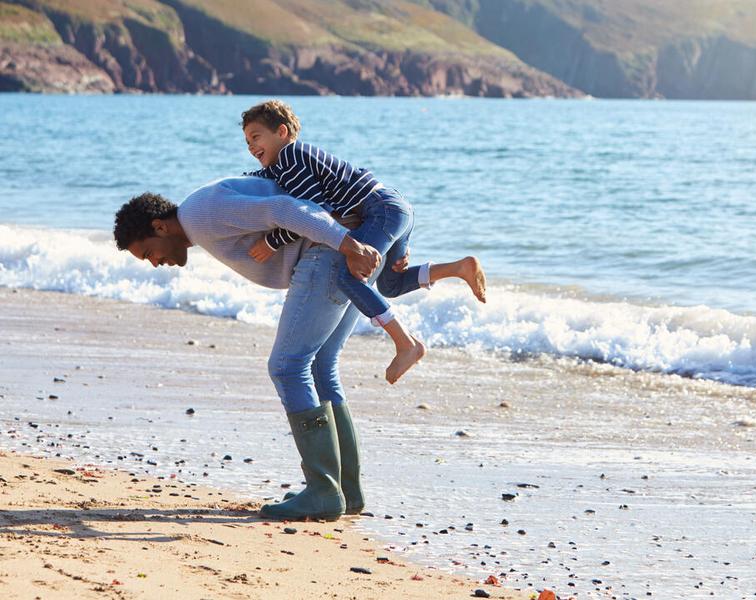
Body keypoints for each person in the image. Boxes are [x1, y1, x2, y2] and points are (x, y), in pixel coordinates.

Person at [113, 176, 386, 521]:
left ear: (159, 227)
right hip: (347, 249)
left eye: (149, 253)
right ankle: (344, 490)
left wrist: (348, 246)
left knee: (288, 367)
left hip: (333, 254)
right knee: (320, 365)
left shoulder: (200, 215)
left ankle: (323, 491)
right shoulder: (199, 217)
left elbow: (283, 208)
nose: (155, 263)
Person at [240, 100, 486, 384]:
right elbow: (261, 180)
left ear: (281, 132)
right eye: (246, 141)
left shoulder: (290, 158)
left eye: (256, 137)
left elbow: (314, 213)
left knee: (349, 276)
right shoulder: (285, 164)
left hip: (380, 211)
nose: (250, 146)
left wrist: (273, 241)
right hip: (395, 206)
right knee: (390, 285)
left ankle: (406, 344)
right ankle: (459, 268)